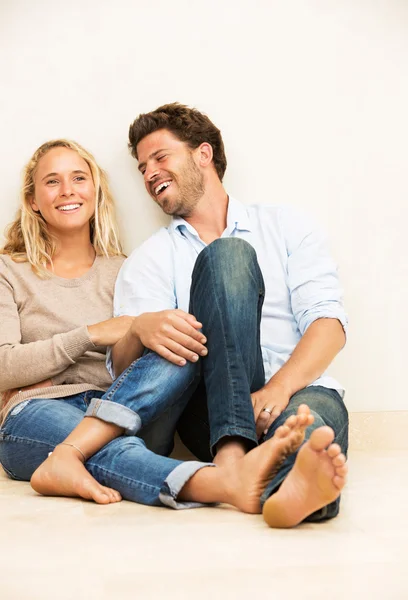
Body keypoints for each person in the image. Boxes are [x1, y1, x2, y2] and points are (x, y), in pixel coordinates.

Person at [0, 138, 318, 516]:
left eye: (79, 178)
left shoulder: (125, 268)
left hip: (127, 410)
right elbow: (5, 366)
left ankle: (70, 457)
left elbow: (145, 366)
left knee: (176, 342)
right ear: (33, 199)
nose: (67, 190)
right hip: (40, 410)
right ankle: (230, 483)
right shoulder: (9, 271)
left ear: (95, 190)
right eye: (52, 181)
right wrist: (93, 333)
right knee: (114, 449)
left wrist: (137, 331)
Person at [107, 102, 349, 528]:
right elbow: (134, 380)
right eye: (142, 167)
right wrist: (137, 332)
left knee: (311, 436)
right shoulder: (150, 260)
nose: (149, 173)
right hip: (208, 413)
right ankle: (233, 454)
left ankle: (289, 494)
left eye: (160, 157)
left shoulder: (287, 225)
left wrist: (277, 389)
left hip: (294, 389)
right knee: (228, 258)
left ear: (204, 154)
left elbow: (328, 325)